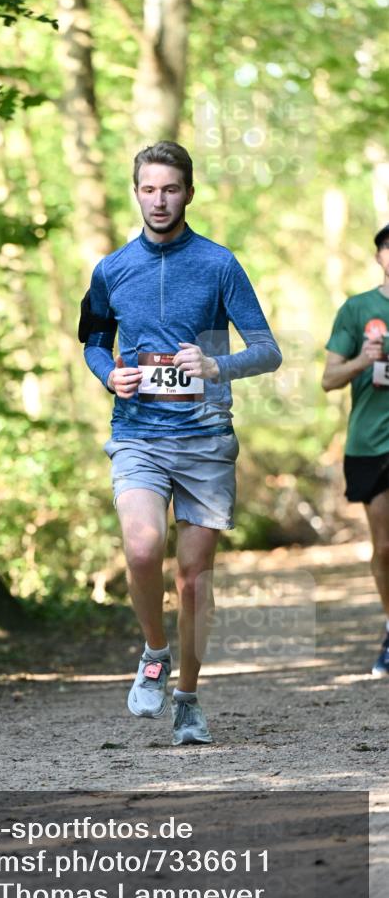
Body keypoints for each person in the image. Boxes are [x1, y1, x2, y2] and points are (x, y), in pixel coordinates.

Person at [82, 141, 282, 745]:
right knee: (143, 551)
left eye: (171, 189)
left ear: (188, 193)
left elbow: (267, 351)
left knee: (194, 579)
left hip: (205, 441)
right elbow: (93, 338)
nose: (160, 200)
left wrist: (218, 365)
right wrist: (106, 372)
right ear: (136, 192)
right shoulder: (112, 269)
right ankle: (153, 651)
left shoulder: (220, 264)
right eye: (149, 189)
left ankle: (188, 699)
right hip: (138, 434)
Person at [322, 223, 389, 677]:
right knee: (385, 547)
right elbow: (328, 379)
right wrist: (364, 360)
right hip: (372, 443)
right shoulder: (358, 309)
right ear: (379, 256)